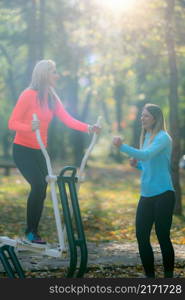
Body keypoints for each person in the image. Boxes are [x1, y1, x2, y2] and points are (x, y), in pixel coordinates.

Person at [8, 59, 101, 245]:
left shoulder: (51, 97)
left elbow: (67, 119)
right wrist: (29, 127)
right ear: (44, 74)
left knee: (42, 188)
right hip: (22, 150)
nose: (57, 76)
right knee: (38, 185)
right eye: (54, 72)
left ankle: (32, 231)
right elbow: (12, 123)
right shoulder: (28, 95)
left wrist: (89, 128)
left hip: (40, 152)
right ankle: (30, 233)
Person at [112, 103, 175, 278]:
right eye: (142, 115)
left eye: (146, 115)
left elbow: (146, 155)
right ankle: (150, 277)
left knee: (163, 237)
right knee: (141, 236)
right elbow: (147, 162)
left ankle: (169, 278)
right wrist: (137, 164)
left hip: (164, 194)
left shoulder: (163, 138)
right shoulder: (147, 136)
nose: (142, 118)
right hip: (146, 195)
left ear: (155, 118)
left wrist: (122, 147)